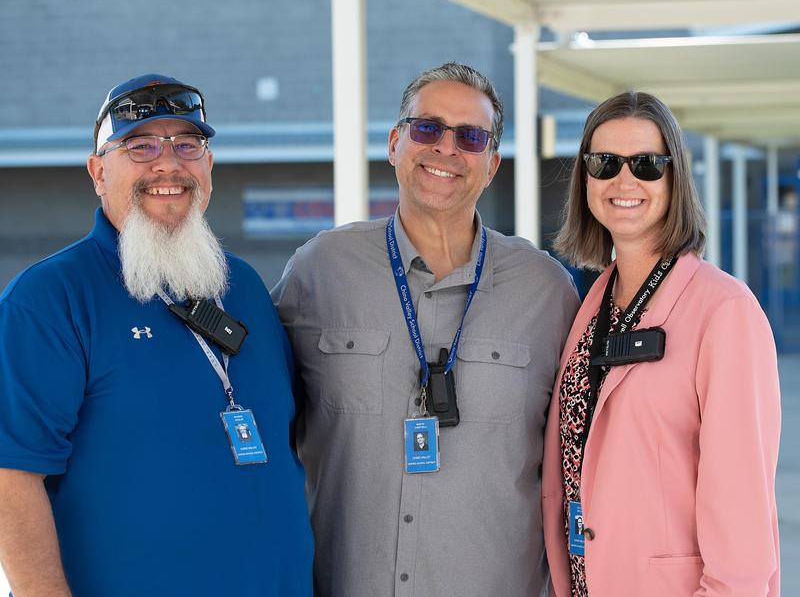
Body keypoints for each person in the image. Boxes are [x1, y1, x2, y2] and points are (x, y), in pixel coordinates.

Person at [272, 62, 579, 596]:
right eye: (428, 128)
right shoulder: (319, 271)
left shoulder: (548, 291)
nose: (446, 148)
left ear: (491, 165)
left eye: (470, 136)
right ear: (395, 143)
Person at [0, 74, 313, 597]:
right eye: (140, 145)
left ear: (208, 166)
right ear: (98, 171)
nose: (168, 164)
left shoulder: (243, 287)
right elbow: (12, 478)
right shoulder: (50, 299)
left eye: (187, 145)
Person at [542, 91, 781, 596]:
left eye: (647, 164)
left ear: (675, 178)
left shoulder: (724, 312)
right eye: (604, 162)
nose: (623, 180)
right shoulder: (590, 305)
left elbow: (742, 518)